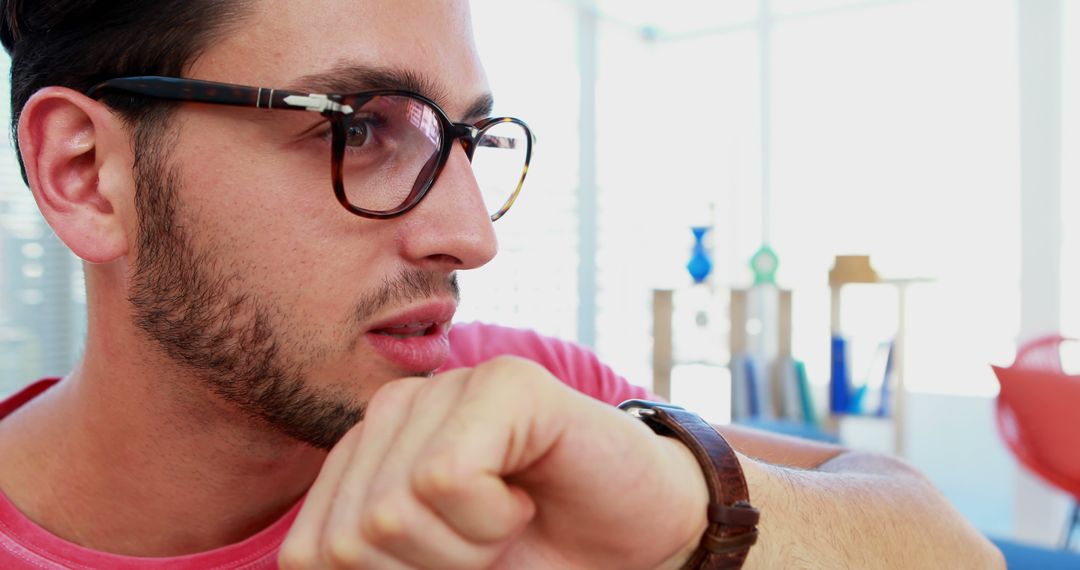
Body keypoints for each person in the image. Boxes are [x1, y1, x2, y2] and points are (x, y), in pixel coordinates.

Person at [0, 1, 1003, 568]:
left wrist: (690, 508)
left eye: (465, 137)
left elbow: (957, 549)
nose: (472, 237)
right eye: (357, 126)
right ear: (86, 174)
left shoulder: (521, 404)